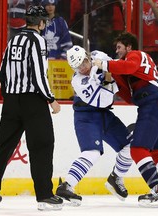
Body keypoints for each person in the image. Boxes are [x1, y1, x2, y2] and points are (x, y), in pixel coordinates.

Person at [0, 5, 62, 211]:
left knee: (3, 146)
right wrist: (51, 99)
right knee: (42, 145)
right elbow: (38, 74)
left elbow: (1, 72)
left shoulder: (13, 40)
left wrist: (10, 96)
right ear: (41, 23)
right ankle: (44, 197)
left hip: (11, 101)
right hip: (33, 102)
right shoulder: (38, 40)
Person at [93, 32, 158, 207]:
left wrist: (104, 64)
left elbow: (128, 66)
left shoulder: (136, 54)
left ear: (129, 47)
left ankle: (157, 190)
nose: (117, 51)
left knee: (137, 149)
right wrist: (114, 79)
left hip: (152, 106)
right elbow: (130, 97)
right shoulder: (134, 66)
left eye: (119, 47)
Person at [55, 45, 133, 206]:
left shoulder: (99, 55)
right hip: (86, 116)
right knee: (93, 152)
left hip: (104, 114)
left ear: (87, 56)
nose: (82, 68)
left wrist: (108, 66)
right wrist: (108, 75)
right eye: (77, 66)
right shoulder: (78, 81)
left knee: (130, 147)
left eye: (83, 62)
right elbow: (105, 100)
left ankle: (115, 177)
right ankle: (66, 185)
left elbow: (116, 66)